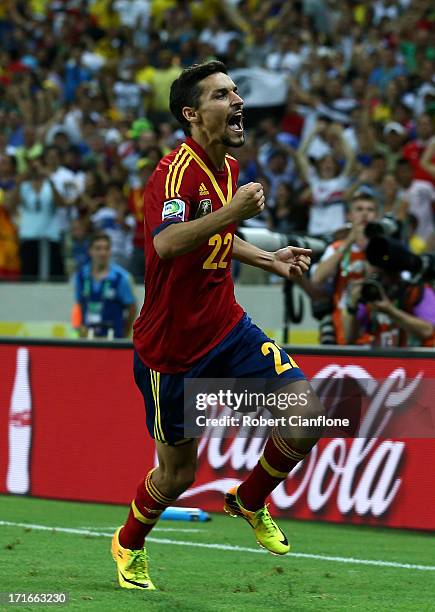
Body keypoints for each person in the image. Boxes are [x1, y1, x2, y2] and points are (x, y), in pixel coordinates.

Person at [111, 61, 324, 591]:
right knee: (178, 475)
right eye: (222, 95)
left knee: (307, 415)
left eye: (236, 92)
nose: (237, 102)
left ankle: (248, 499)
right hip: (172, 350)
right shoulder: (171, 174)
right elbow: (167, 242)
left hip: (227, 327)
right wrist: (231, 214)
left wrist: (268, 258)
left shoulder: (227, 168)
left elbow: (214, 240)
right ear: (192, 113)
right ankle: (129, 541)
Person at [312, 193, 378, 345]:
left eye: (370, 209)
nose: (365, 213)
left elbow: (374, 275)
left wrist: (366, 246)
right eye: (359, 209)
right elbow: (317, 278)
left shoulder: (382, 248)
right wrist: (348, 242)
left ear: (376, 215)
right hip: (344, 329)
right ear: (350, 215)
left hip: (375, 330)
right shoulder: (336, 248)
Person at [73, 232, 136, 339]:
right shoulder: (81, 276)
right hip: (88, 340)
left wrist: (124, 335)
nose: (102, 253)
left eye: (106, 248)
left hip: (113, 340)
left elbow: (132, 308)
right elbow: (79, 305)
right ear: (90, 251)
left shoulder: (121, 278)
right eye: (98, 248)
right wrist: (79, 327)